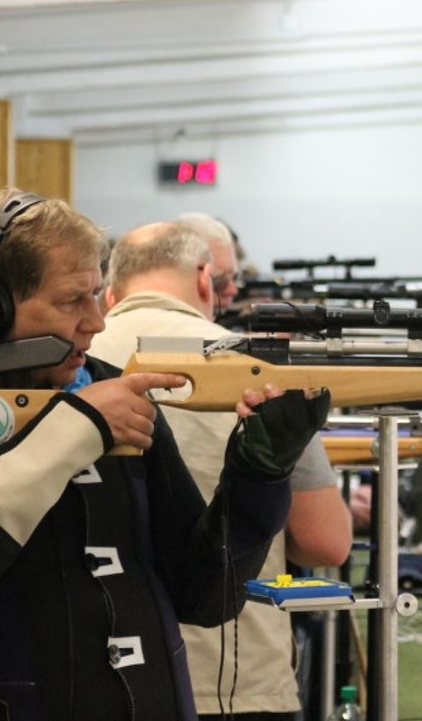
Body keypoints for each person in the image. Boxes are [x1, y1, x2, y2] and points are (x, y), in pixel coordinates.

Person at [0, 188, 329, 721]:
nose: (96, 322)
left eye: (98, 294)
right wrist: (78, 427)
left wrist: (257, 477)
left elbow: (205, 595)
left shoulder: (108, 390)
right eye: (73, 301)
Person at [90, 221, 352, 721]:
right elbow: (326, 543)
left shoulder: (69, 367)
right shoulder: (261, 370)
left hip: (99, 672)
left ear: (109, 294)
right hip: (236, 676)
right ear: (205, 281)